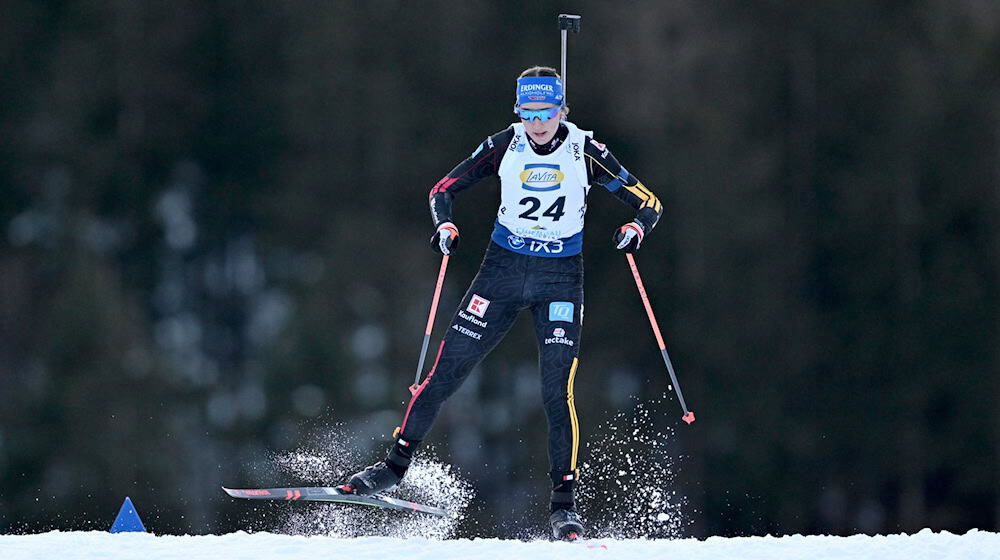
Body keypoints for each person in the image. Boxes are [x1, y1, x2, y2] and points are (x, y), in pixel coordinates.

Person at [338, 66, 663, 540]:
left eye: (546, 111)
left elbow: (648, 201)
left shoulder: (585, 151)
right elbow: (442, 189)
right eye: (527, 112)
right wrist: (445, 226)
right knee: (445, 372)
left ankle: (564, 507)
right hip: (502, 272)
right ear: (518, 112)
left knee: (557, 390)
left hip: (559, 279)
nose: (537, 122)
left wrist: (636, 229)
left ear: (561, 110)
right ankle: (392, 468)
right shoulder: (503, 145)